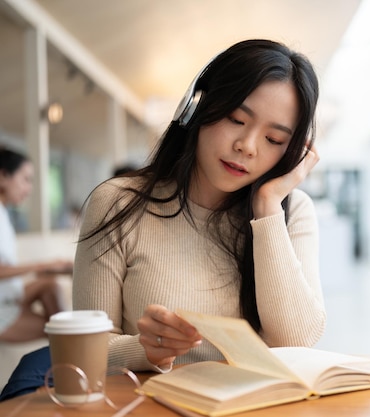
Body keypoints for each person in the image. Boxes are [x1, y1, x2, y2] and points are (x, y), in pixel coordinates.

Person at [72, 39, 326, 373]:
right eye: (236, 119)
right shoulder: (118, 203)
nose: (246, 146)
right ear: (195, 107)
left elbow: (295, 340)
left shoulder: (290, 211)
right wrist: (148, 349)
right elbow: (82, 353)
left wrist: (267, 208)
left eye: (274, 140)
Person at [0, 148, 72, 343]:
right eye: (26, 179)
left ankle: (67, 344)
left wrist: (51, 268)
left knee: (51, 286)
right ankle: (70, 354)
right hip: (2, 306)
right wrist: (44, 266)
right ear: (3, 176)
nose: (29, 188)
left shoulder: (4, 212)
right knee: (64, 332)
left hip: (9, 296)